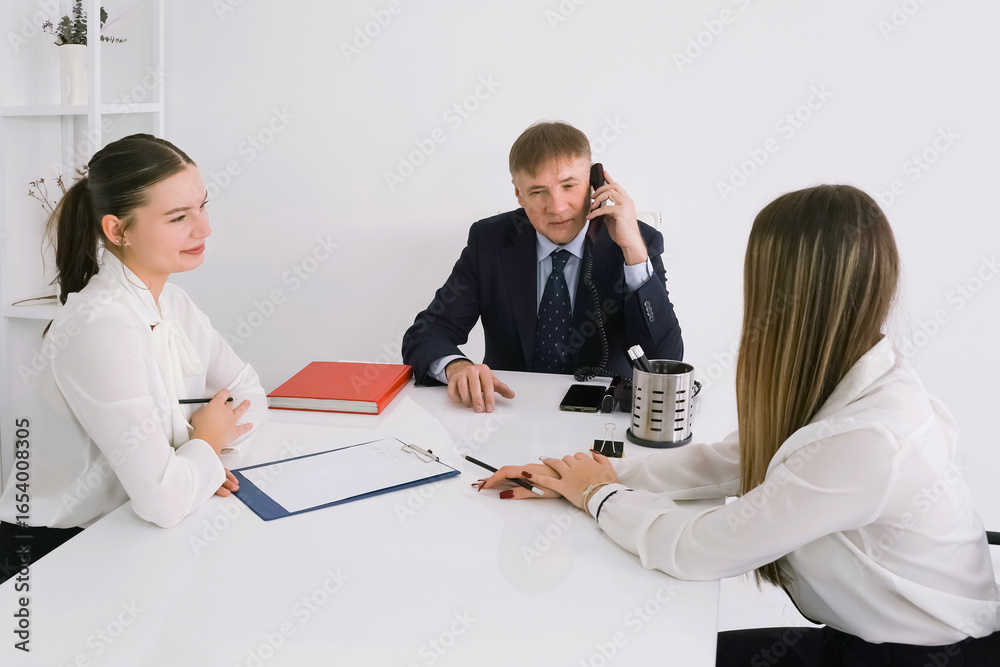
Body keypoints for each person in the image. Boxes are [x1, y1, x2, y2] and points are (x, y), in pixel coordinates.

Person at [481, 185, 1000, 665]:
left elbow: (696, 549)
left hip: (920, 655)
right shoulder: (857, 372)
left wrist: (598, 495)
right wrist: (593, 474)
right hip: (865, 634)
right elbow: (737, 459)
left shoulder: (871, 440)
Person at [0, 134, 267, 584]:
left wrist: (196, 463)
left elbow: (251, 395)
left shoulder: (174, 304)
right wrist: (204, 446)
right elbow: (163, 501)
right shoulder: (98, 325)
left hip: (131, 536)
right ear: (116, 231)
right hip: (57, 556)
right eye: (179, 217)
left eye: (202, 206)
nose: (204, 229)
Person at [401, 121, 683, 413]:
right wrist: (457, 367)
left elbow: (667, 359)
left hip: (601, 416)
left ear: (594, 182)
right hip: (508, 410)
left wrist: (633, 253)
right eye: (538, 192)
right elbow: (426, 332)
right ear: (519, 194)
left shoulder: (637, 241)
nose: (557, 207)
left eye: (569, 186)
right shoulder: (489, 241)